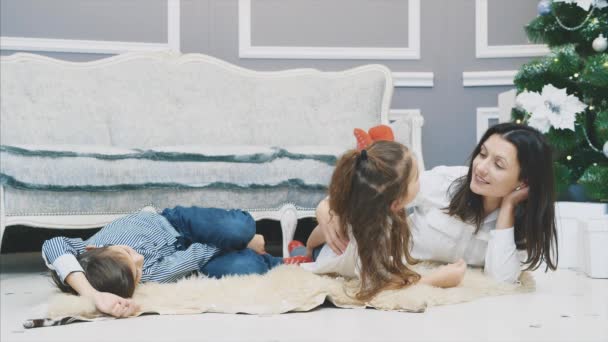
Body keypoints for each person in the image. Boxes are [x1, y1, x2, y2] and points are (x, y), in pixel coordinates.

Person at [317, 123, 558, 284]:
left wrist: (508, 209)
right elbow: (377, 190)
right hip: (379, 259)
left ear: (523, 181)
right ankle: (303, 247)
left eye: (499, 164)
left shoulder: (524, 223)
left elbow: (502, 281)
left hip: (402, 272)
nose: (481, 168)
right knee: (331, 237)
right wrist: (326, 207)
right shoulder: (447, 183)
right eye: (482, 154)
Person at [42, 206, 301, 317]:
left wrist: (90, 294)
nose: (140, 259)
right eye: (138, 271)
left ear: (94, 247)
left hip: (177, 221)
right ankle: (285, 262)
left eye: (129, 253)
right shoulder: (152, 275)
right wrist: (245, 247)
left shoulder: (86, 249)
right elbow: (194, 256)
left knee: (238, 227)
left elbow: (52, 245)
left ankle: (244, 238)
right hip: (198, 255)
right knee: (246, 267)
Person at [290, 139, 466, 302]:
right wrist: (436, 279)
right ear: (396, 203)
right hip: (322, 255)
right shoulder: (371, 235)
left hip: (321, 247)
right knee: (306, 255)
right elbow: (377, 285)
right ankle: (296, 250)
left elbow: (318, 236)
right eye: (416, 178)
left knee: (317, 244)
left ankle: (300, 248)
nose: (421, 181)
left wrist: (310, 245)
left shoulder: (364, 208)